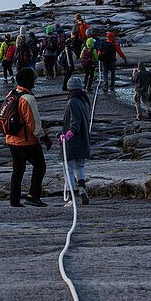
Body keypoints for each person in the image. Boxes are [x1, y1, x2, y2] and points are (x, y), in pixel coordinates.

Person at [3, 66, 49, 207]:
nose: (35, 81)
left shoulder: (11, 95)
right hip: (27, 142)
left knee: (18, 170)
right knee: (40, 166)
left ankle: (14, 200)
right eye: (34, 79)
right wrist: (45, 137)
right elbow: (34, 125)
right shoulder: (28, 99)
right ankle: (33, 196)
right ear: (30, 80)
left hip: (11, 140)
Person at [60, 77, 90, 205]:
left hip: (73, 141)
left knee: (69, 169)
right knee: (80, 166)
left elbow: (74, 124)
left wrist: (67, 136)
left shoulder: (72, 102)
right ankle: (82, 189)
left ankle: (71, 197)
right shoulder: (84, 101)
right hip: (84, 140)